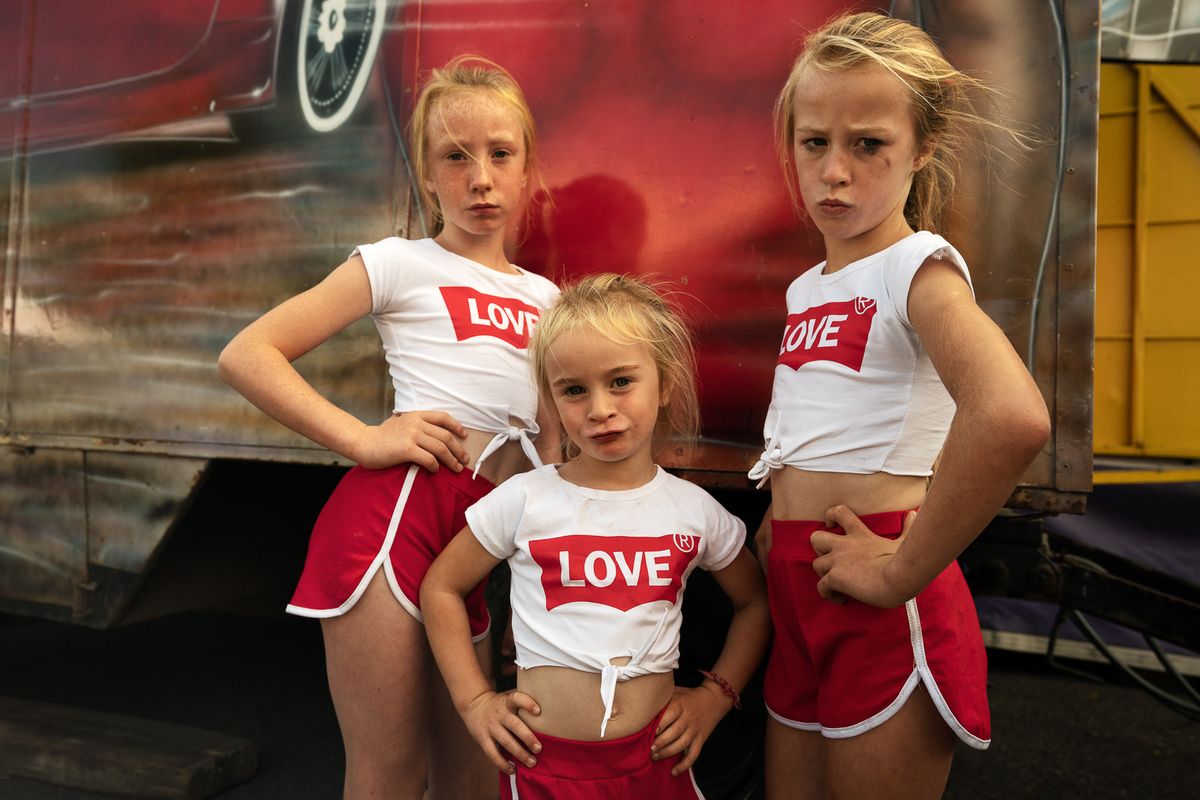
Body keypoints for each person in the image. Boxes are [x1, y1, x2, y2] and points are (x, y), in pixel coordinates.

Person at [217, 56, 560, 800]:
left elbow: (555, 451)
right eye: (455, 156)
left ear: (528, 167)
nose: (480, 177)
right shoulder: (399, 262)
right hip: (389, 533)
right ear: (427, 175)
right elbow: (248, 353)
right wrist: (364, 439)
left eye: (501, 154)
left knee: (476, 778)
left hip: (478, 547)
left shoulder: (550, 299)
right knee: (390, 777)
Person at [748, 12, 1051, 800]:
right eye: (814, 142)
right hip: (801, 586)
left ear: (924, 149)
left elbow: (1012, 416)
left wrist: (901, 573)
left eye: (869, 144)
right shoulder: (806, 286)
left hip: (879, 593)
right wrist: (772, 523)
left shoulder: (917, 268)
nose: (835, 171)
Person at [421, 274, 771, 799]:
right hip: (543, 767)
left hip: (659, 768)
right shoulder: (525, 498)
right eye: (575, 390)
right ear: (552, 400)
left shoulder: (694, 510)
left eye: (622, 382)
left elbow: (754, 603)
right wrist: (475, 701)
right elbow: (440, 588)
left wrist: (714, 698)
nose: (600, 408)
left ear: (665, 383)